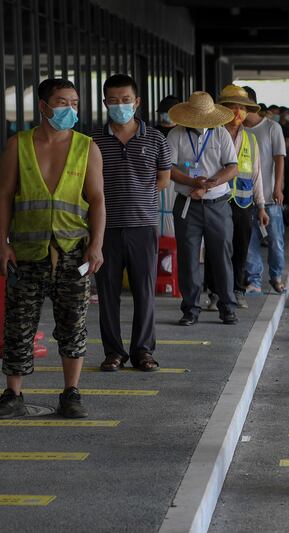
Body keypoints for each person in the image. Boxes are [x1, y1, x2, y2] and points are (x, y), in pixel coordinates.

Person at [0, 78, 105, 418]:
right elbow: (4, 197)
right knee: (18, 325)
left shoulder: (86, 147)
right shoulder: (19, 145)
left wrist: (97, 246)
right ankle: (13, 394)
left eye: (74, 102)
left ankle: (71, 393)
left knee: (73, 324)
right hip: (27, 253)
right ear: (43, 107)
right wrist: (3, 244)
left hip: (73, 251)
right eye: (62, 102)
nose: (69, 109)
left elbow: (98, 199)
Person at [92, 74, 171, 372]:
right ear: (104, 103)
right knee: (108, 293)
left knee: (144, 291)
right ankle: (114, 352)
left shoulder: (156, 139)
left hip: (143, 226)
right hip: (105, 229)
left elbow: (163, 179)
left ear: (137, 102)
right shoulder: (93, 141)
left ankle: (143, 351)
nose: (120, 106)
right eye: (113, 101)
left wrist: (139, 199)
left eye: (126, 100)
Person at [166, 91, 239, 326]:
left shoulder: (221, 134)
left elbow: (232, 167)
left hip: (217, 203)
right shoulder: (176, 134)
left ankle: (227, 306)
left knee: (221, 255)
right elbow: (170, 168)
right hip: (188, 205)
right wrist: (192, 183)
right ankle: (190, 309)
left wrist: (211, 184)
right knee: (188, 257)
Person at [205, 85, 269, 309]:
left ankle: (237, 290)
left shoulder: (251, 141)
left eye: (242, 108)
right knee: (217, 246)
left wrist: (261, 206)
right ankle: (214, 292)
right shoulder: (211, 136)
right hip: (216, 200)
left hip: (243, 203)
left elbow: (257, 175)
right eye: (233, 107)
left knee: (240, 247)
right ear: (223, 110)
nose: (238, 112)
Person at [242, 86, 287, 294]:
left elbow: (279, 159)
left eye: (239, 105)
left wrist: (278, 187)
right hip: (244, 197)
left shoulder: (271, 128)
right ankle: (254, 280)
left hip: (270, 195)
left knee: (276, 239)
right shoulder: (238, 129)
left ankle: (276, 276)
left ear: (250, 104)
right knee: (250, 240)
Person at [156, 96, 181, 238]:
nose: (167, 116)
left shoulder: (182, 133)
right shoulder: (152, 133)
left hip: (177, 183)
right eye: (164, 112)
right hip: (159, 183)